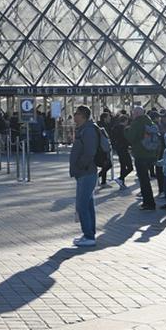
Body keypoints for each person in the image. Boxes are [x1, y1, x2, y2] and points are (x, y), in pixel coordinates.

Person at [68, 105, 101, 247]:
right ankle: (89, 234)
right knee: (87, 205)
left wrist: (80, 165)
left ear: (82, 116)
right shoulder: (84, 129)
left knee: (82, 205)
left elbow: (89, 152)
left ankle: (89, 236)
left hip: (86, 172)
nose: (74, 116)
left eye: (76, 113)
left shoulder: (88, 131)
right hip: (84, 172)